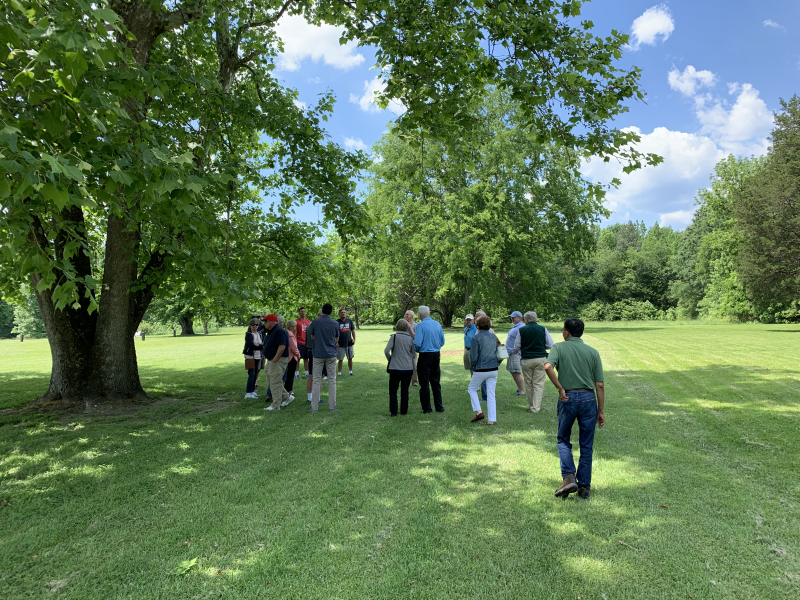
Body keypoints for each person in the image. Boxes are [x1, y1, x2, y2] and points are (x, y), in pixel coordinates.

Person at [545, 318, 605, 500]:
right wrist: (600, 411)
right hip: (588, 399)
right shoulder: (593, 352)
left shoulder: (559, 348)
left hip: (567, 397)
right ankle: (584, 488)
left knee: (563, 439)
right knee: (586, 445)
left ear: (567, 332)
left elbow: (547, 366)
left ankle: (569, 476)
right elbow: (600, 385)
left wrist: (559, 387)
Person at [513, 311, 555, 413]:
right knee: (538, 383)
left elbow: (517, 346)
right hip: (540, 358)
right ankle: (535, 407)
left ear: (526, 319)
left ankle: (532, 405)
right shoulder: (542, 329)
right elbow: (550, 344)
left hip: (526, 359)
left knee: (529, 383)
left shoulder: (521, 330)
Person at [307, 303, 340, 412]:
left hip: (318, 354)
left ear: (322, 311)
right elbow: (336, 339)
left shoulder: (315, 322)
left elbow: (312, 336)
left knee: (316, 380)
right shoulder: (335, 323)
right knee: (332, 380)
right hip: (331, 354)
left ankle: (314, 407)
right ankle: (332, 406)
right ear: (331, 311)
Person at [468, 315, 500, 425]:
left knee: (471, 389)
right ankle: (492, 419)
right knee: (491, 394)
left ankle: (479, 412)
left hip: (481, 368)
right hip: (493, 368)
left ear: (477, 325)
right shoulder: (493, 337)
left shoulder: (476, 338)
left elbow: (473, 357)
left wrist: (472, 368)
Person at [414, 305, 445, 413]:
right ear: (429, 313)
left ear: (419, 315)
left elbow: (417, 342)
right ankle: (439, 407)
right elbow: (442, 341)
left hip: (425, 355)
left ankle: (427, 408)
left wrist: (418, 349)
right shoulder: (437, 324)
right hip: (436, 354)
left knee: (424, 382)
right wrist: (436, 347)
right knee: (436, 381)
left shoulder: (420, 325)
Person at [384, 319, 416, 416]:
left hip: (395, 368)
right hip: (407, 368)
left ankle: (393, 412)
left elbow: (386, 351)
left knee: (393, 390)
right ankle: (404, 411)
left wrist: (390, 359)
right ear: (407, 327)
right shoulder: (410, 339)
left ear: (397, 326)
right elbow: (413, 354)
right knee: (405, 390)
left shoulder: (394, 337)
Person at [263, 314, 290, 411]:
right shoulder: (272, 331)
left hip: (277, 360)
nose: (264, 323)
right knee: (270, 381)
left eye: (266, 321)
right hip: (271, 360)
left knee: (275, 382)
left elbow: (282, 346)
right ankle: (286, 397)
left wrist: (275, 359)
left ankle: (275, 405)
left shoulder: (279, 331)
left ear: (271, 322)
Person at [242, 318, 264, 399]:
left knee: (255, 375)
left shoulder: (259, 334)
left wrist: (258, 345)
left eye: (256, 325)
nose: (255, 326)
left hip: (258, 356)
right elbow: (251, 345)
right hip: (251, 356)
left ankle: (252, 391)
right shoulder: (248, 334)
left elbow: (262, 344)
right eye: (253, 325)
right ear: (250, 326)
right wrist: (259, 345)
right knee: (251, 374)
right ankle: (248, 392)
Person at [505, 311, 526, 396]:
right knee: (512, 370)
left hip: (515, 353)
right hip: (510, 352)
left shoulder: (521, 327)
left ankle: (521, 391)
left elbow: (523, 340)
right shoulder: (516, 327)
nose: (512, 318)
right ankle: (519, 389)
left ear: (520, 318)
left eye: (514, 317)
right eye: (512, 317)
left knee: (516, 371)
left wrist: (517, 349)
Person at [282, 319, 301, 406]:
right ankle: (288, 393)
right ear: (292, 327)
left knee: (288, 375)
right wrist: (298, 354)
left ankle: (289, 391)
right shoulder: (290, 335)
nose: (296, 328)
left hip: (287, 357)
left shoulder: (285, 333)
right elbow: (294, 347)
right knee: (290, 376)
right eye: (295, 326)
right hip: (292, 358)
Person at [336, 308, 356, 376]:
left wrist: (354, 339)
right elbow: (334, 333)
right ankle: (339, 372)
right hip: (340, 344)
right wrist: (336, 342)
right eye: (342, 312)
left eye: (344, 312)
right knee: (340, 359)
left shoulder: (349, 321)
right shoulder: (337, 322)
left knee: (350, 358)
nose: (343, 313)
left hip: (349, 343)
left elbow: (352, 330)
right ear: (339, 314)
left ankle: (350, 371)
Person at [404, 310, 419, 386]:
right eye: (405, 314)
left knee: (414, 364)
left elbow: (414, 337)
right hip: (404, 347)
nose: (406, 316)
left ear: (412, 316)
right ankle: (406, 380)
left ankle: (414, 381)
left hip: (412, 347)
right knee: (404, 363)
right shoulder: (402, 325)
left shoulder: (415, 326)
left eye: (408, 314)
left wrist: (409, 327)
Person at [296, 307, 311, 378]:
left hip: (306, 343)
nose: (303, 313)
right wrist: (295, 343)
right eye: (301, 311)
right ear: (299, 313)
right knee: (298, 359)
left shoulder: (308, 322)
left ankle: (307, 373)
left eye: (304, 311)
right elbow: (295, 333)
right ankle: (296, 374)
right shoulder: (296, 322)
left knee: (306, 358)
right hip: (299, 342)